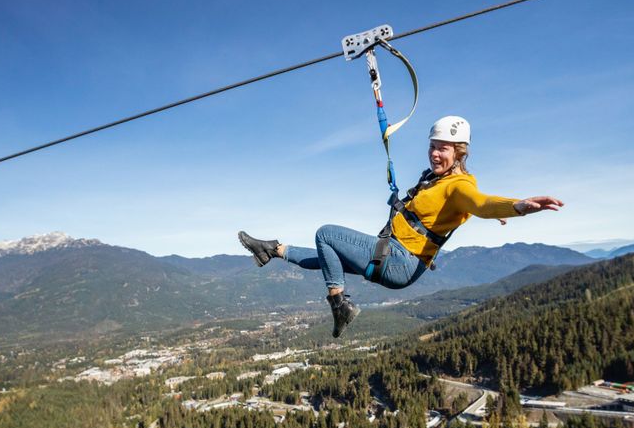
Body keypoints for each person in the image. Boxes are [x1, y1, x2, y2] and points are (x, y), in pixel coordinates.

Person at [238, 116, 563, 337]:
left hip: (399, 260)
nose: (436, 154)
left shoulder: (458, 186)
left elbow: (481, 203)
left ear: (460, 152)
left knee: (326, 234)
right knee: (328, 254)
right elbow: (473, 208)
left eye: (444, 148)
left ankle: (340, 305)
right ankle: (272, 250)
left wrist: (518, 207)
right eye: (433, 146)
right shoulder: (436, 181)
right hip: (393, 255)